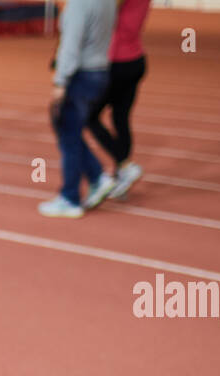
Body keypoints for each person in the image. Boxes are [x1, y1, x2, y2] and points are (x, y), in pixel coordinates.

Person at [39, 0, 116, 217]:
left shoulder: (79, 4)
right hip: (100, 71)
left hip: (81, 74)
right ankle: (96, 177)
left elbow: (71, 44)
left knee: (68, 134)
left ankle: (70, 197)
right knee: (69, 131)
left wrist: (60, 82)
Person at [85, 0, 151, 201]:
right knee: (120, 118)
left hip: (116, 61)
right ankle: (122, 174)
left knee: (89, 116)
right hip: (135, 58)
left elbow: (103, 15)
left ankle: (125, 165)